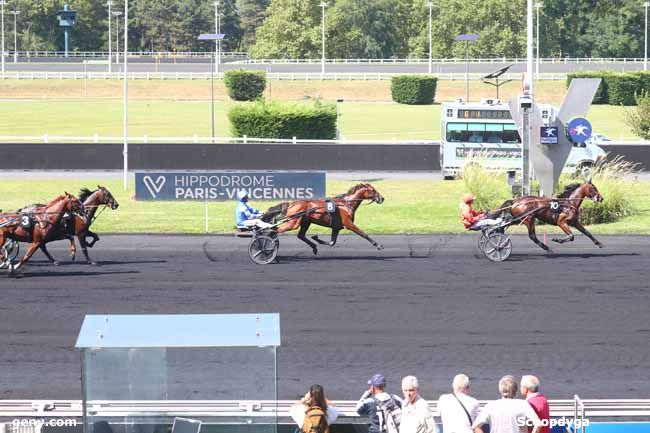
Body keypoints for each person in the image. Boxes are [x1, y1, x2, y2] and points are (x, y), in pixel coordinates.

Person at [472, 375, 541, 433]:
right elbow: (538, 425)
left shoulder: (491, 406)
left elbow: (475, 427)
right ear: (516, 390)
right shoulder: (523, 404)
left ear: (500, 390)